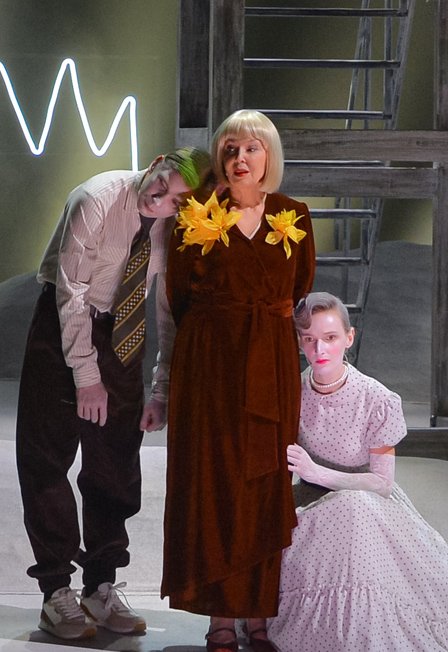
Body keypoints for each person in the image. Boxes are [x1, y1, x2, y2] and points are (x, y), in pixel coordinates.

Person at [15, 147, 212, 641]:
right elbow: (72, 292)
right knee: (46, 459)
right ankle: (56, 591)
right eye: (162, 183)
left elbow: (166, 308)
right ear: (157, 161)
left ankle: (100, 586)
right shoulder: (97, 198)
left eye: (176, 200)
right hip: (61, 326)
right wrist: (86, 375)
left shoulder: (176, 227)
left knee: (116, 461)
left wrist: (160, 389)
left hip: (122, 333)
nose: (159, 200)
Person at [161, 109, 316, 652]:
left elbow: (298, 287)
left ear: (269, 155)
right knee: (214, 482)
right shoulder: (195, 215)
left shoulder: (294, 216)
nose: (240, 158)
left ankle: (259, 612)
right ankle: (220, 615)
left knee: (264, 483)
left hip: (271, 366)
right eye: (230, 149)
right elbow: (177, 297)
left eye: (251, 148)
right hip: (209, 368)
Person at [267, 291, 448, 652]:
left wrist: (317, 472)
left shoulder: (377, 399)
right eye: (309, 339)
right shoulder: (292, 393)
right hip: (309, 504)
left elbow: (382, 483)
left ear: (349, 338)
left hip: (368, 503)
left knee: (354, 510)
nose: (320, 349)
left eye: (330, 337)